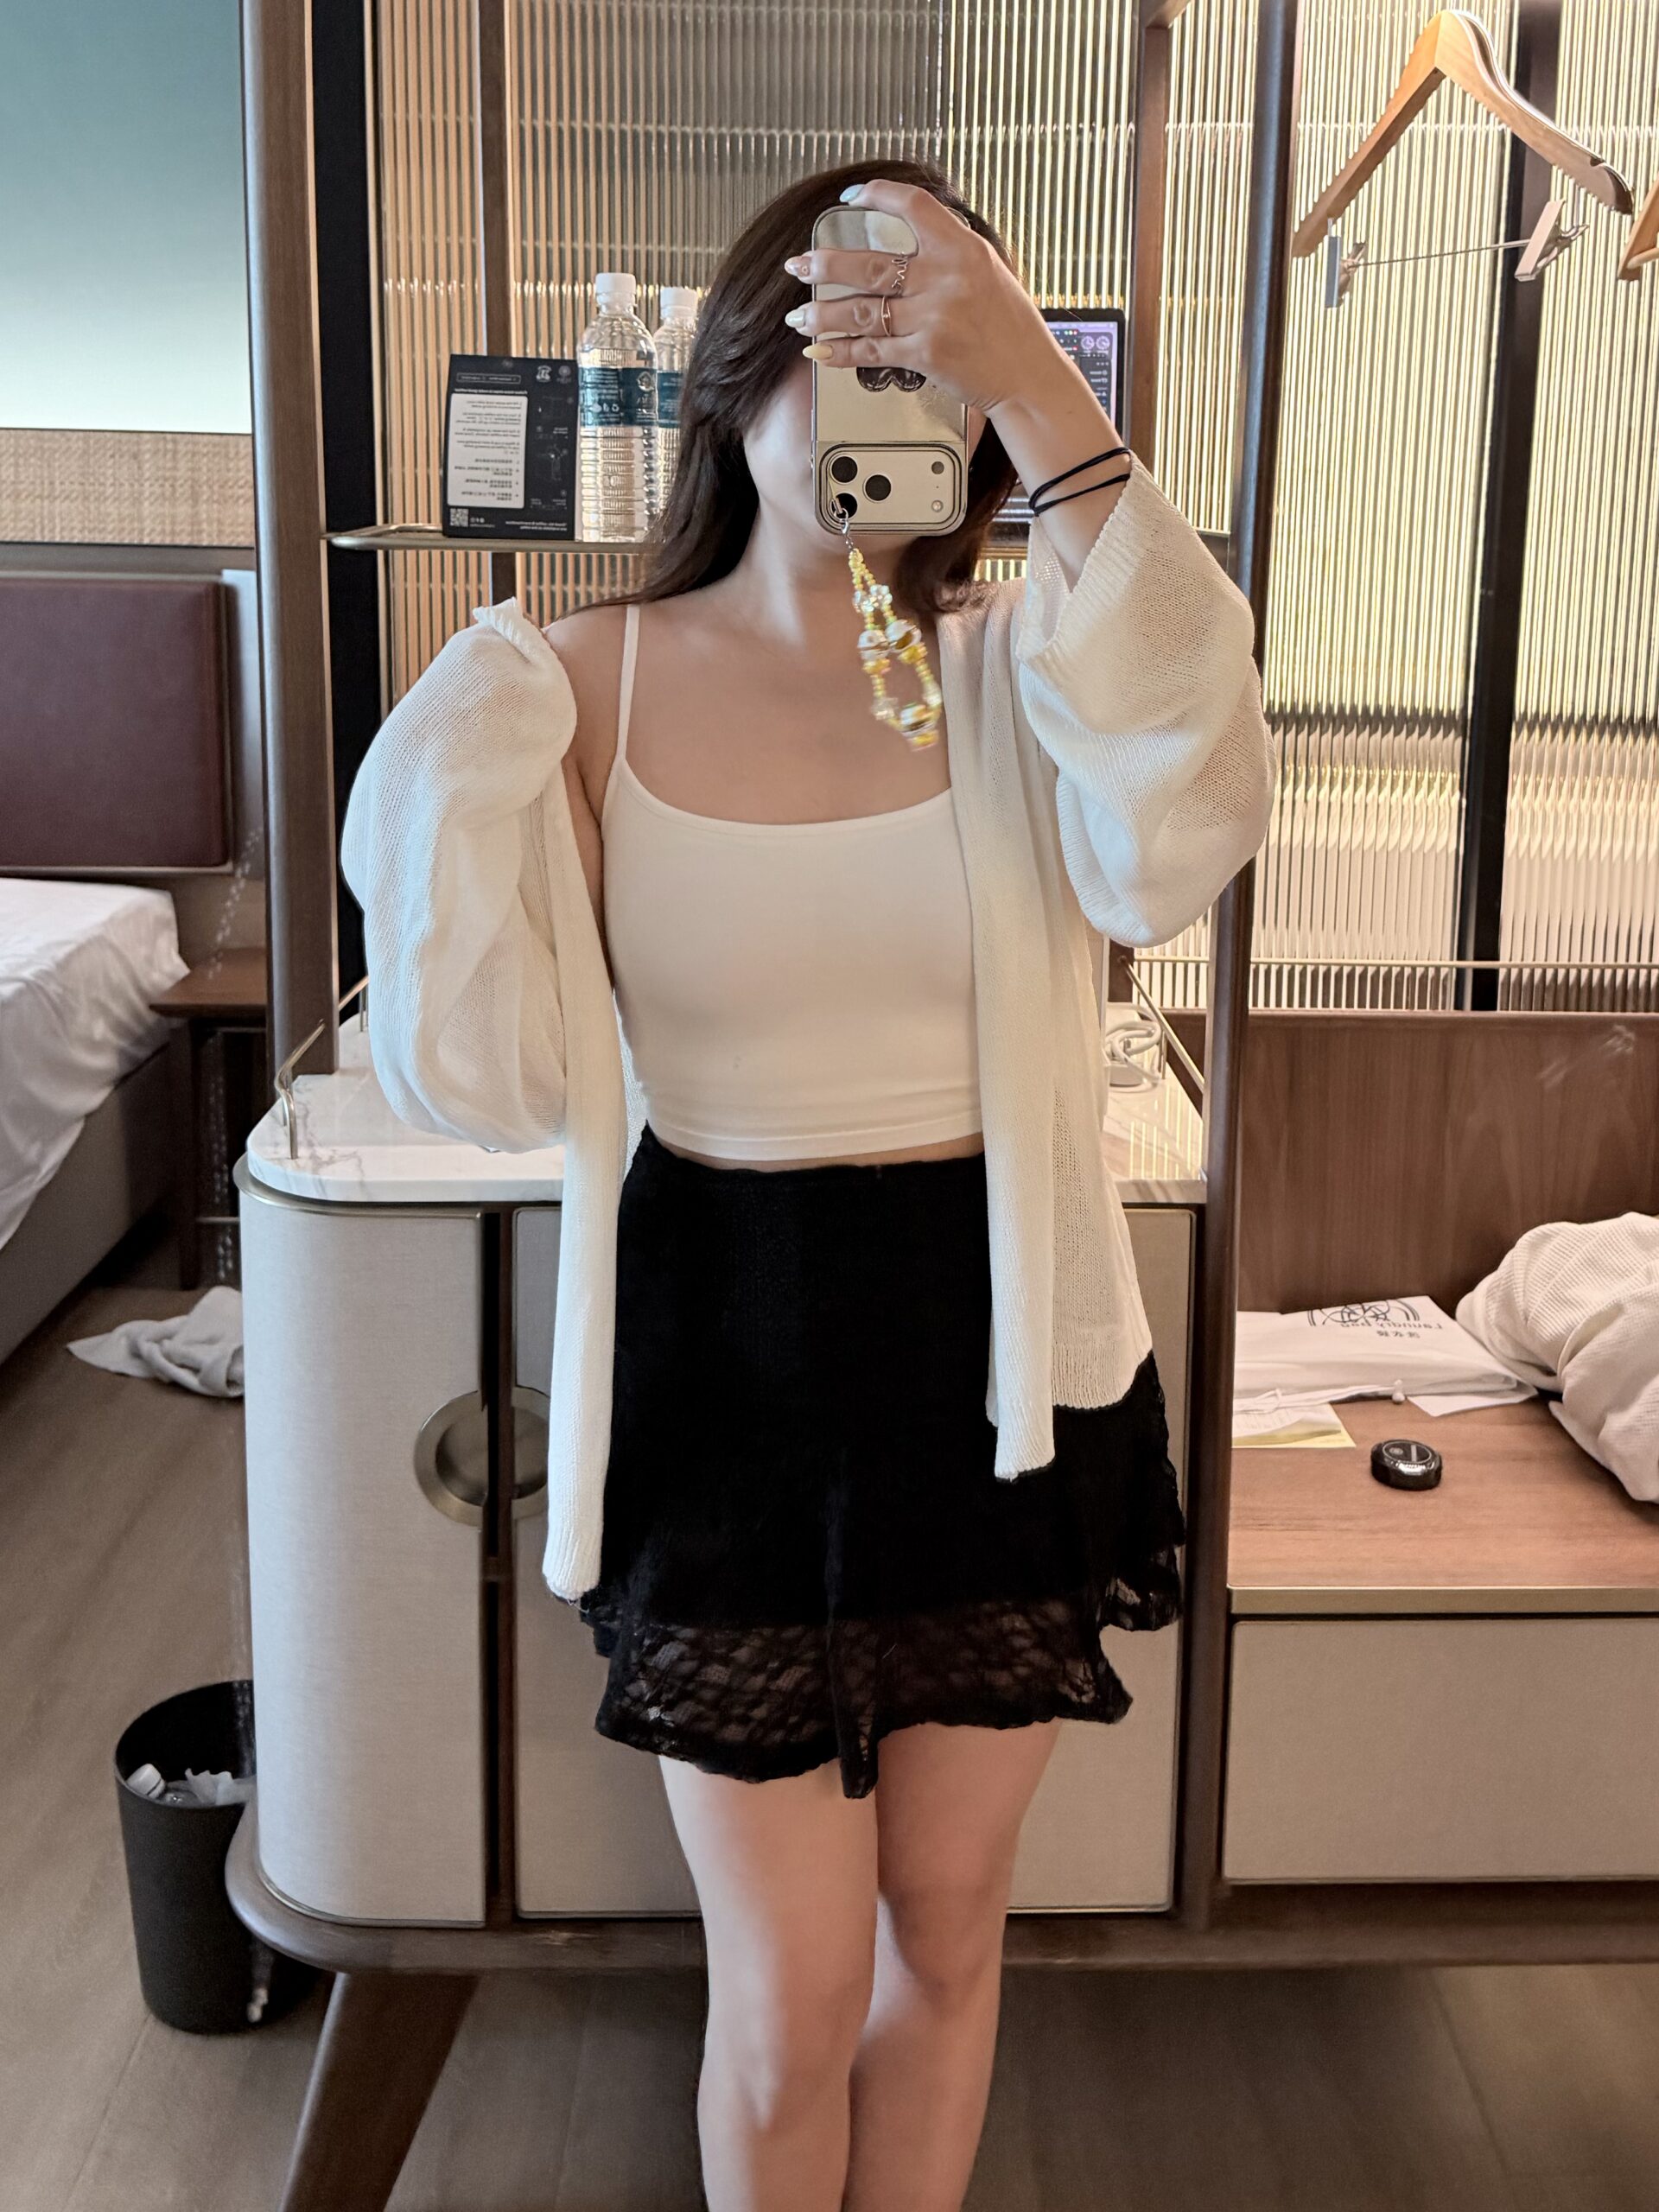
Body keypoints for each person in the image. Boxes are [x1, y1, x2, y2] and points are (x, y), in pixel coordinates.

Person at [343, 156, 1275, 2212]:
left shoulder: (1031, 671)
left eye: (933, 361)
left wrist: (1041, 384)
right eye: (848, 342)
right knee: (788, 1988)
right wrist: (448, 788)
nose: (888, 401)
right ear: (734, 369)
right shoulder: (570, 688)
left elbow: (1186, 822)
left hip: (999, 1359)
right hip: (724, 1366)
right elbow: (481, 1074)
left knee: (948, 1936)